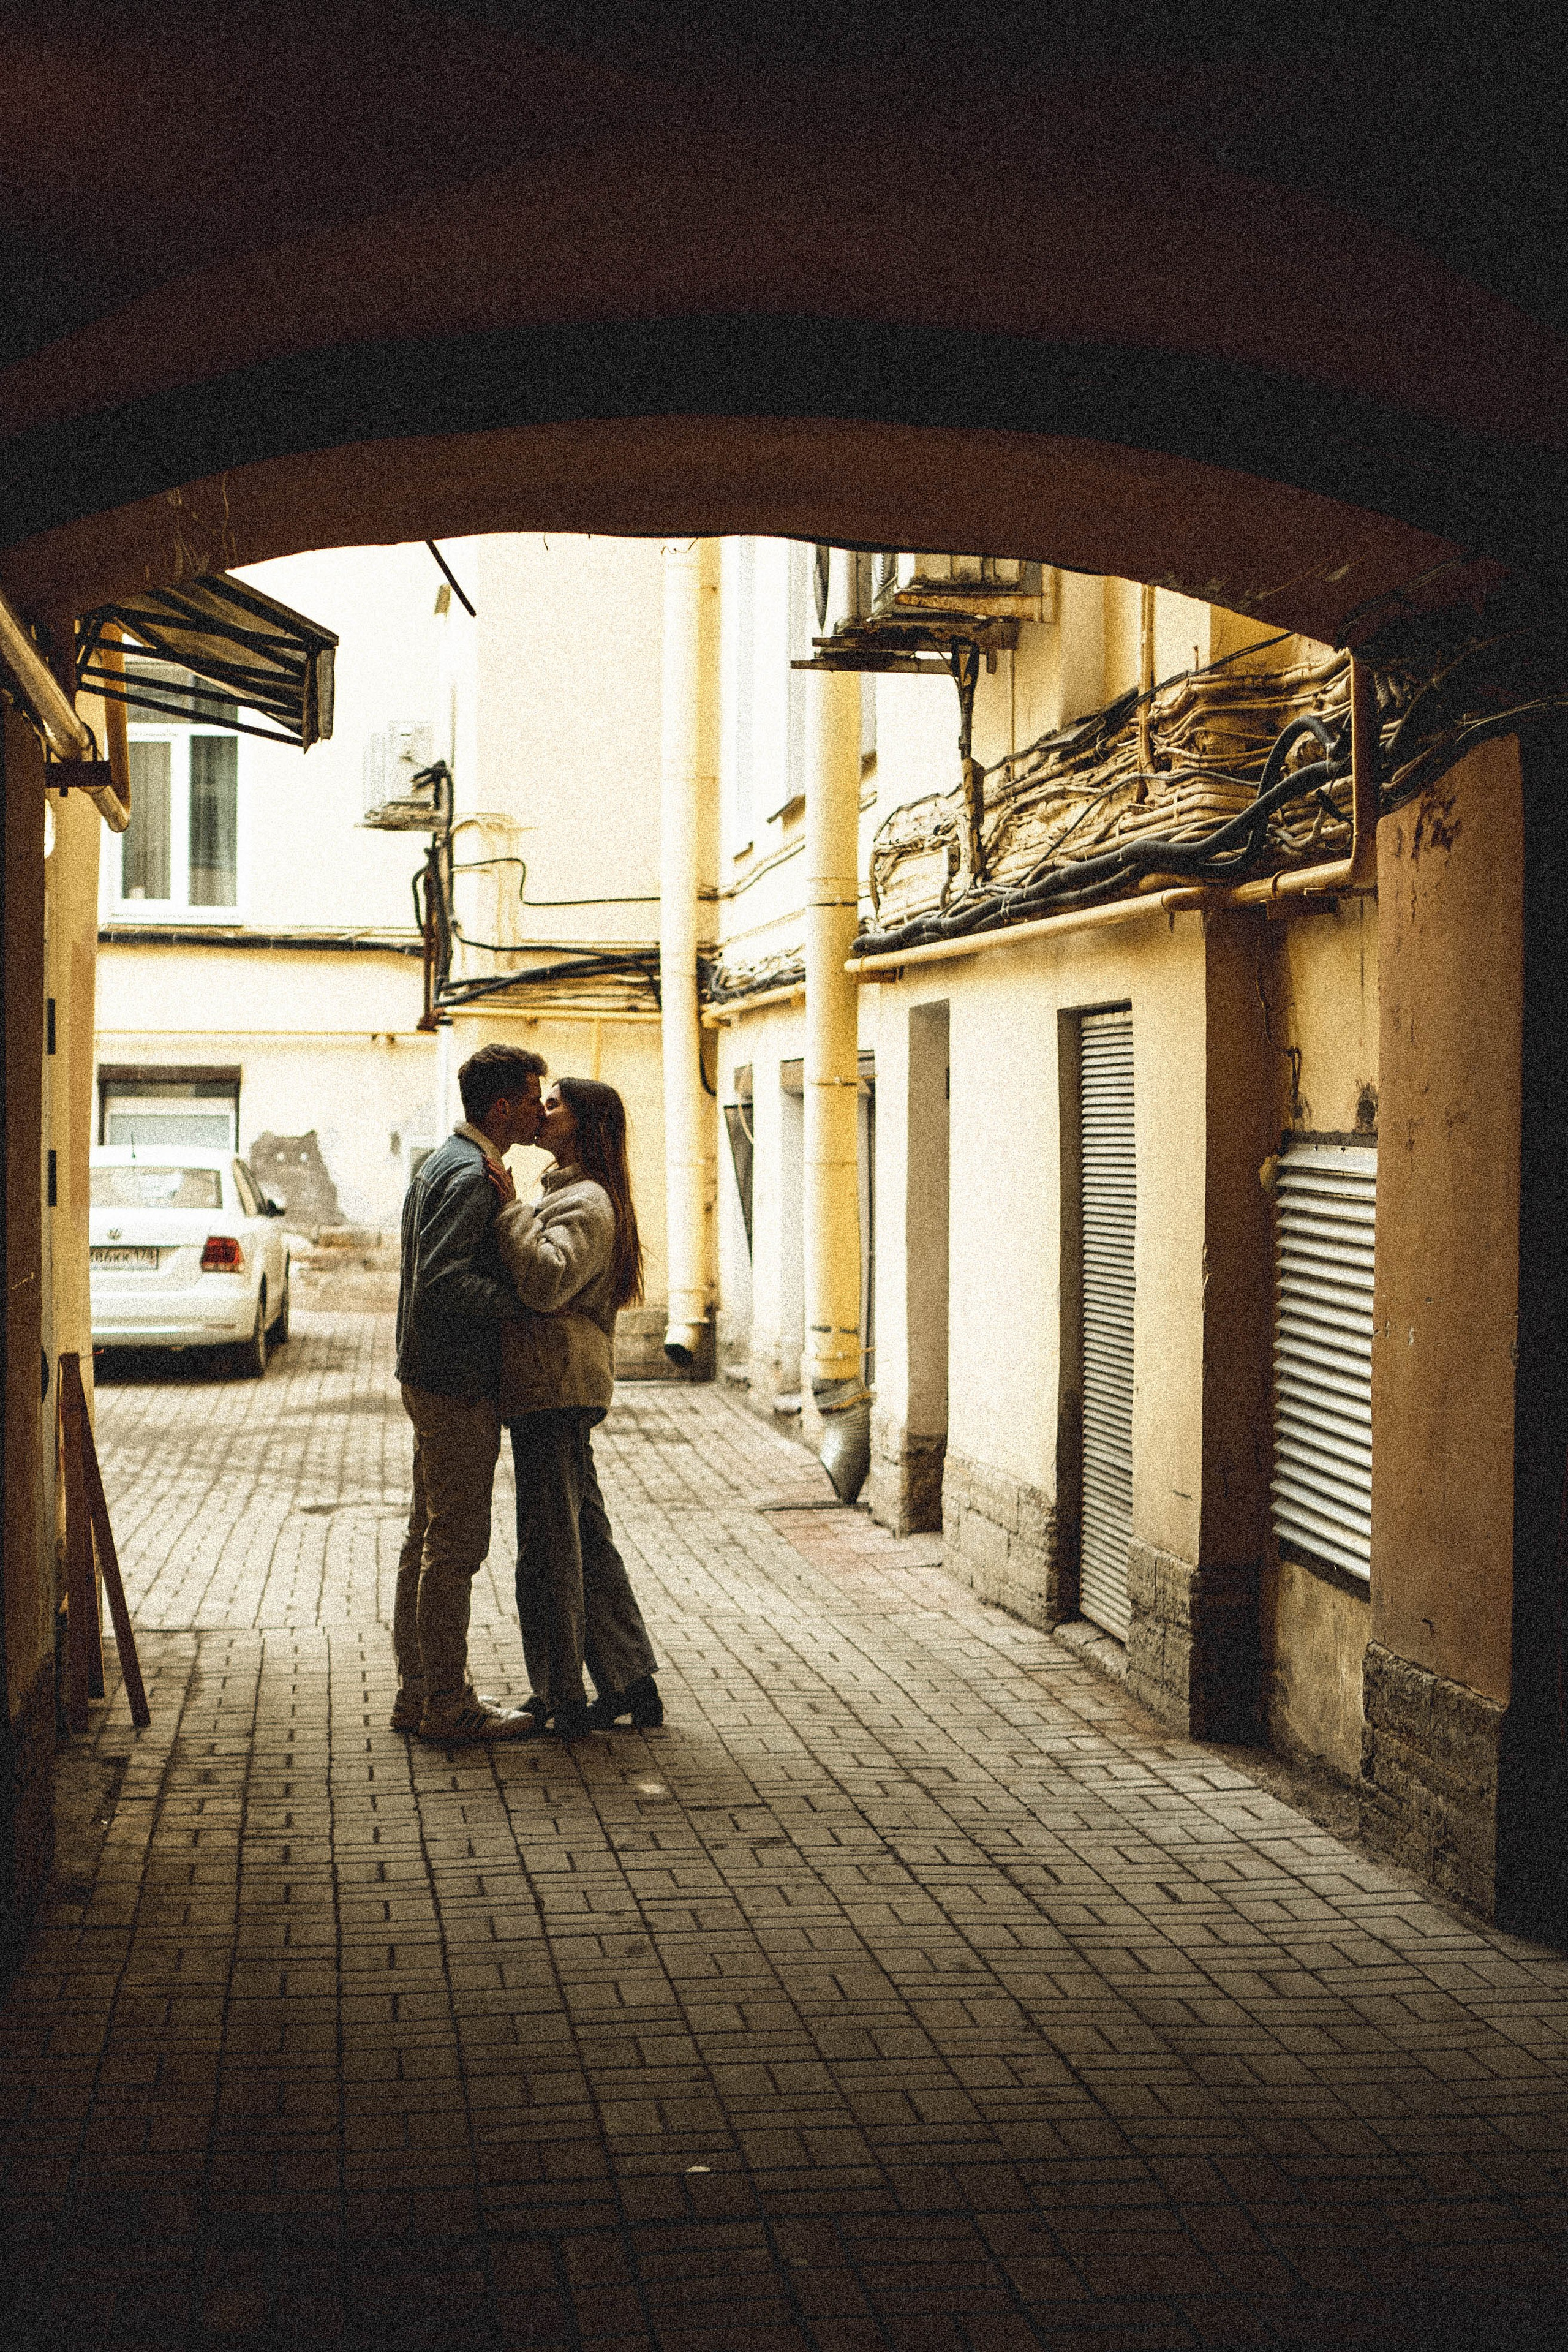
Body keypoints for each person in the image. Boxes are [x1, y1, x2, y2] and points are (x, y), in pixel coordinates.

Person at [486, 1076, 662, 1738]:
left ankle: (560, 1694)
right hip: (556, 1385)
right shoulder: (570, 1192)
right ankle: (631, 1682)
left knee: (548, 1549)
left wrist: (509, 1212)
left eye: (554, 1104)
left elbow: (545, 1282)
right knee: (584, 1538)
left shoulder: (587, 1203)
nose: (541, 1110)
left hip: (555, 1387)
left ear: (582, 1125)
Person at [391, 1041, 545, 1742]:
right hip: (456, 1381)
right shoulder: (472, 1176)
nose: (540, 1112)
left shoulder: (442, 1160)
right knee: (453, 1547)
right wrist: (524, 1304)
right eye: (533, 1100)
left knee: (426, 1537)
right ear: (502, 1107)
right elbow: (444, 1279)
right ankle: (448, 1707)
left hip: (427, 1372)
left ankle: (419, 1693)